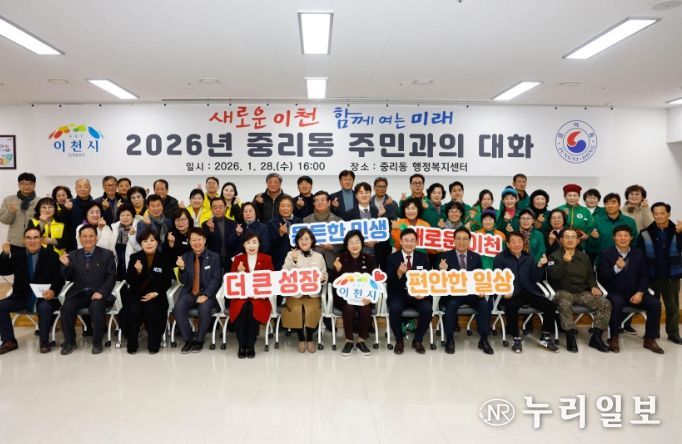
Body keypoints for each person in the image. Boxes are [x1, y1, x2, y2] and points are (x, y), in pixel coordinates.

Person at [598, 225, 664, 354]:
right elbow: (602, 277)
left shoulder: (638, 253)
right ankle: (614, 338)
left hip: (635, 292)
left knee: (655, 304)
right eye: (619, 235)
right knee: (616, 303)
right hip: (615, 292)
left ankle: (650, 339)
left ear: (631, 238)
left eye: (626, 235)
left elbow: (645, 275)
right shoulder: (606, 253)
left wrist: (640, 292)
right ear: (614, 237)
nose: (623, 238)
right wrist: (616, 268)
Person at [0, 227, 64, 354]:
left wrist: (53, 291)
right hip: (22, 296)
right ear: (24, 240)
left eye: (35, 237)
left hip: (45, 296)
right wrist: (5, 254)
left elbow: (59, 279)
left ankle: (44, 341)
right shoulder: (17, 256)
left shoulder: (52, 255)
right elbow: (4, 271)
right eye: (28, 238)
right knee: (1, 305)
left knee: (44, 307)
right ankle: (9, 340)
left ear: (41, 239)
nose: (32, 241)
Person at [547, 228, 611, 353]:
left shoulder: (584, 256)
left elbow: (590, 275)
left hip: (581, 291)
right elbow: (553, 276)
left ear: (577, 241)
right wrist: (564, 262)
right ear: (561, 240)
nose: (570, 240)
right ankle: (570, 337)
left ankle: (596, 338)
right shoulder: (554, 256)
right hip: (562, 291)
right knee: (564, 304)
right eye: (567, 237)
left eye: (573, 237)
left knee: (605, 303)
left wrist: (593, 286)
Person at [493, 231, 558, 353]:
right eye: (513, 242)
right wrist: (505, 290)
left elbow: (534, 278)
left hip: (528, 291)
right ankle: (516, 338)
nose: (517, 244)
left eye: (519, 241)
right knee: (511, 306)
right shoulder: (500, 258)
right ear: (507, 244)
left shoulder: (528, 257)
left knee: (551, 305)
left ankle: (545, 337)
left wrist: (539, 265)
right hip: (510, 293)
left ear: (523, 243)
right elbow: (498, 278)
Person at [58, 224, 117, 355]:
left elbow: (111, 277)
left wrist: (101, 292)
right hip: (79, 293)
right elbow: (68, 276)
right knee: (66, 307)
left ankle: (97, 343)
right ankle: (69, 342)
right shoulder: (72, 255)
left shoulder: (107, 254)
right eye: (84, 236)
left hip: (99, 294)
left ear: (96, 237)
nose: (88, 239)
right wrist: (66, 265)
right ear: (79, 238)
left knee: (96, 307)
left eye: (91, 236)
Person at [437, 227, 494, 355]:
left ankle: (484, 339)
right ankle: (450, 339)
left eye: (465, 239)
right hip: (453, 294)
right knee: (451, 305)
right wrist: (442, 271)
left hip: (471, 293)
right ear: (453, 240)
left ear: (469, 241)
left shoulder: (476, 257)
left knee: (484, 304)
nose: (461, 242)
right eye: (458, 238)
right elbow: (437, 281)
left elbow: (479, 277)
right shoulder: (444, 256)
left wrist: (481, 289)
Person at [637, 202, 682, 344]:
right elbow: (639, 256)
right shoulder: (644, 233)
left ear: (668, 214)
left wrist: (680, 234)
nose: (659, 216)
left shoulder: (677, 230)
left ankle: (673, 333)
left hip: (672, 276)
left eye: (662, 213)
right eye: (656, 214)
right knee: (653, 306)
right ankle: (652, 333)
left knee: (673, 306)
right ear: (653, 215)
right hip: (651, 276)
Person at [123, 230, 173, 354]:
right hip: (137, 293)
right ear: (141, 243)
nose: (149, 243)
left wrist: (156, 293)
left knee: (151, 308)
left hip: (156, 294)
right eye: (145, 241)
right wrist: (138, 272)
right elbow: (129, 280)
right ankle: (132, 344)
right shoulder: (135, 257)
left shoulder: (165, 258)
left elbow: (167, 281)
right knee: (133, 309)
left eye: (152, 240)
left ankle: (154, 344)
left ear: (157, 242)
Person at [173, 227, 221, 353]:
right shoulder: (185, 257)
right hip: (190, 292)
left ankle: (199, 340)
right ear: (189, 242)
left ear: (204, 240)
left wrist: (206, 295)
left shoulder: (214, 257)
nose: (196, 243)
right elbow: (183, 281)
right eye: (193, 240)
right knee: (178, 308)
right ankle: (188, 339)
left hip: (208, 293)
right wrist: (182, 269)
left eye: (199, 239)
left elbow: (216, 279)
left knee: (204, 308)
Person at [386, 228, 433, 354]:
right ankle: (399, 341)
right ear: (400, 241)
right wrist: (399, 273)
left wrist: (423, 293)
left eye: (412, 240)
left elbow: (427, 278)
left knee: (427, 309)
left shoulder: (423, 257)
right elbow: (389, 281)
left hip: (417, 295)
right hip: (399, 294)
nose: (409, 243)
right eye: (406, 240)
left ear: (416, 242)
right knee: (394, 309)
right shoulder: (392, 258)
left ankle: (418, 340)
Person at [330, 230, 377, 357]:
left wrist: (370, 296)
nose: (354, 245)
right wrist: (337, 270)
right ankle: (349, 341)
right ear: (346, 244)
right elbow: (333, 281)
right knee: (349, 308)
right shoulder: (340, 258)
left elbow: (374, 281)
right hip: (345, 297)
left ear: (362, 243)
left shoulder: (369, 259)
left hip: (364, 296)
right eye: (351, 242)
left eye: (357, 242)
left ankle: (361, 340)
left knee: (365, 308)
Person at [281, 228, 327, 353]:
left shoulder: (319, 256)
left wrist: (323, 278)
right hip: (295, 294)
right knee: (297, 310)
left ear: (312, 240)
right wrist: (294, 261)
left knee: (311, 310)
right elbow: (284, 272)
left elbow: (324, 274)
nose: (304, 241)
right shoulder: (291, 254)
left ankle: (310, 338)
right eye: (301, 239)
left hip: (313, 294)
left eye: (307, 239)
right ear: (297, 241)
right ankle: (301, 339)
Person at [229, 231, 273, 359]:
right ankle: (242, 345)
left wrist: (258, 293)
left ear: (259, 244)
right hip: (240, 297)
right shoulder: (238, 259)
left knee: (252, 307)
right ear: (244, 245)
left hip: (259, 297)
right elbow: (232, 282)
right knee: (243, 307)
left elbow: (271, 280)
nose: (251, 245)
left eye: (254, 242)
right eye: (248, 243)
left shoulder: (266, 258)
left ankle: (251, 345)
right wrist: (239, 273)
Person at [587, 193, 638, 264]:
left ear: (619, 205)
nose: (610, 206)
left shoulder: (630, 221)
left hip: (625, 260)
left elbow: (634, 242)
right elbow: (591, 246)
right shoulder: (597, 222)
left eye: (613, 202)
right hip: (603, 260)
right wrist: (593, 238)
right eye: (607, 203)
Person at [0, 172, 39, 253]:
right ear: (18, 185)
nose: (26, 186)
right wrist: (11, 211)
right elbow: (4, 220)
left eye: (30, 183)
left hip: (35, 241)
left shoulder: (40, 201)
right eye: (23, 183)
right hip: (15, 242)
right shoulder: (8, 200)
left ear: (34, 185)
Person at [303, 191, 343, 270]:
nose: (319, 202)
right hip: (311, 263)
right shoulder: (306, 221)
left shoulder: (338, 221)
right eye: (317, 201)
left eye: (322, 200)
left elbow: (343, 244)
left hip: (332, 262)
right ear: (314, 204)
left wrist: (332, 247)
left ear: (329, 203)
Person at [203, 197, 238, 273]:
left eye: (220, 207)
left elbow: (234, 243)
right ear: (211, 209)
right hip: (213, 260)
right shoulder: (206, 224)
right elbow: (205, 242)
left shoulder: (233, 224)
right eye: (215, 207)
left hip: (230, 260)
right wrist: (211, 230)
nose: (218, 210)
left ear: (225, 208)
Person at [343, 182, 379, 256]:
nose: (364, 195)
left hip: (376, 253)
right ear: (356, 196)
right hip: (356, 254)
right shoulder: (349, 214)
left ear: (370, 194)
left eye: (367, 192)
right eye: (361, 193)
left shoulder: (377, 212)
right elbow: (347, 236)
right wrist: (364, 242)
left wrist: (376, 241)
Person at [371, 177, 398, 271]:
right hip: (371, 240)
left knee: (385, 267)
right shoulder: (368, 201)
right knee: (372, 267)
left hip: (385, 240)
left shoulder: (393, 203)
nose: (381, 189)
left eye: (384, 186)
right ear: (374, 188)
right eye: (379, 186)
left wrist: (388, 206)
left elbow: (392, 221)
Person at [269, 195, 301, 270]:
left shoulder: (300, 221)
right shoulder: (272, 223)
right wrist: (280, 234)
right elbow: (269, 244)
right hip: (279, 261)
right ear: (279, 207)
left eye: (288, 206)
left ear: (292, 207)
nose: (285, 208)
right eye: (282, 206)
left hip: (298, 260)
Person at [111, 204, 142, 280]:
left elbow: (140, 249)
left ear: (133, 216)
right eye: (122, 215)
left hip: (132, 263)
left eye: (128, 215)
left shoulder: (139, 227)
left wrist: (132, 235)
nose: (125, 218)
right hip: (118, 260)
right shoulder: (115, 227)